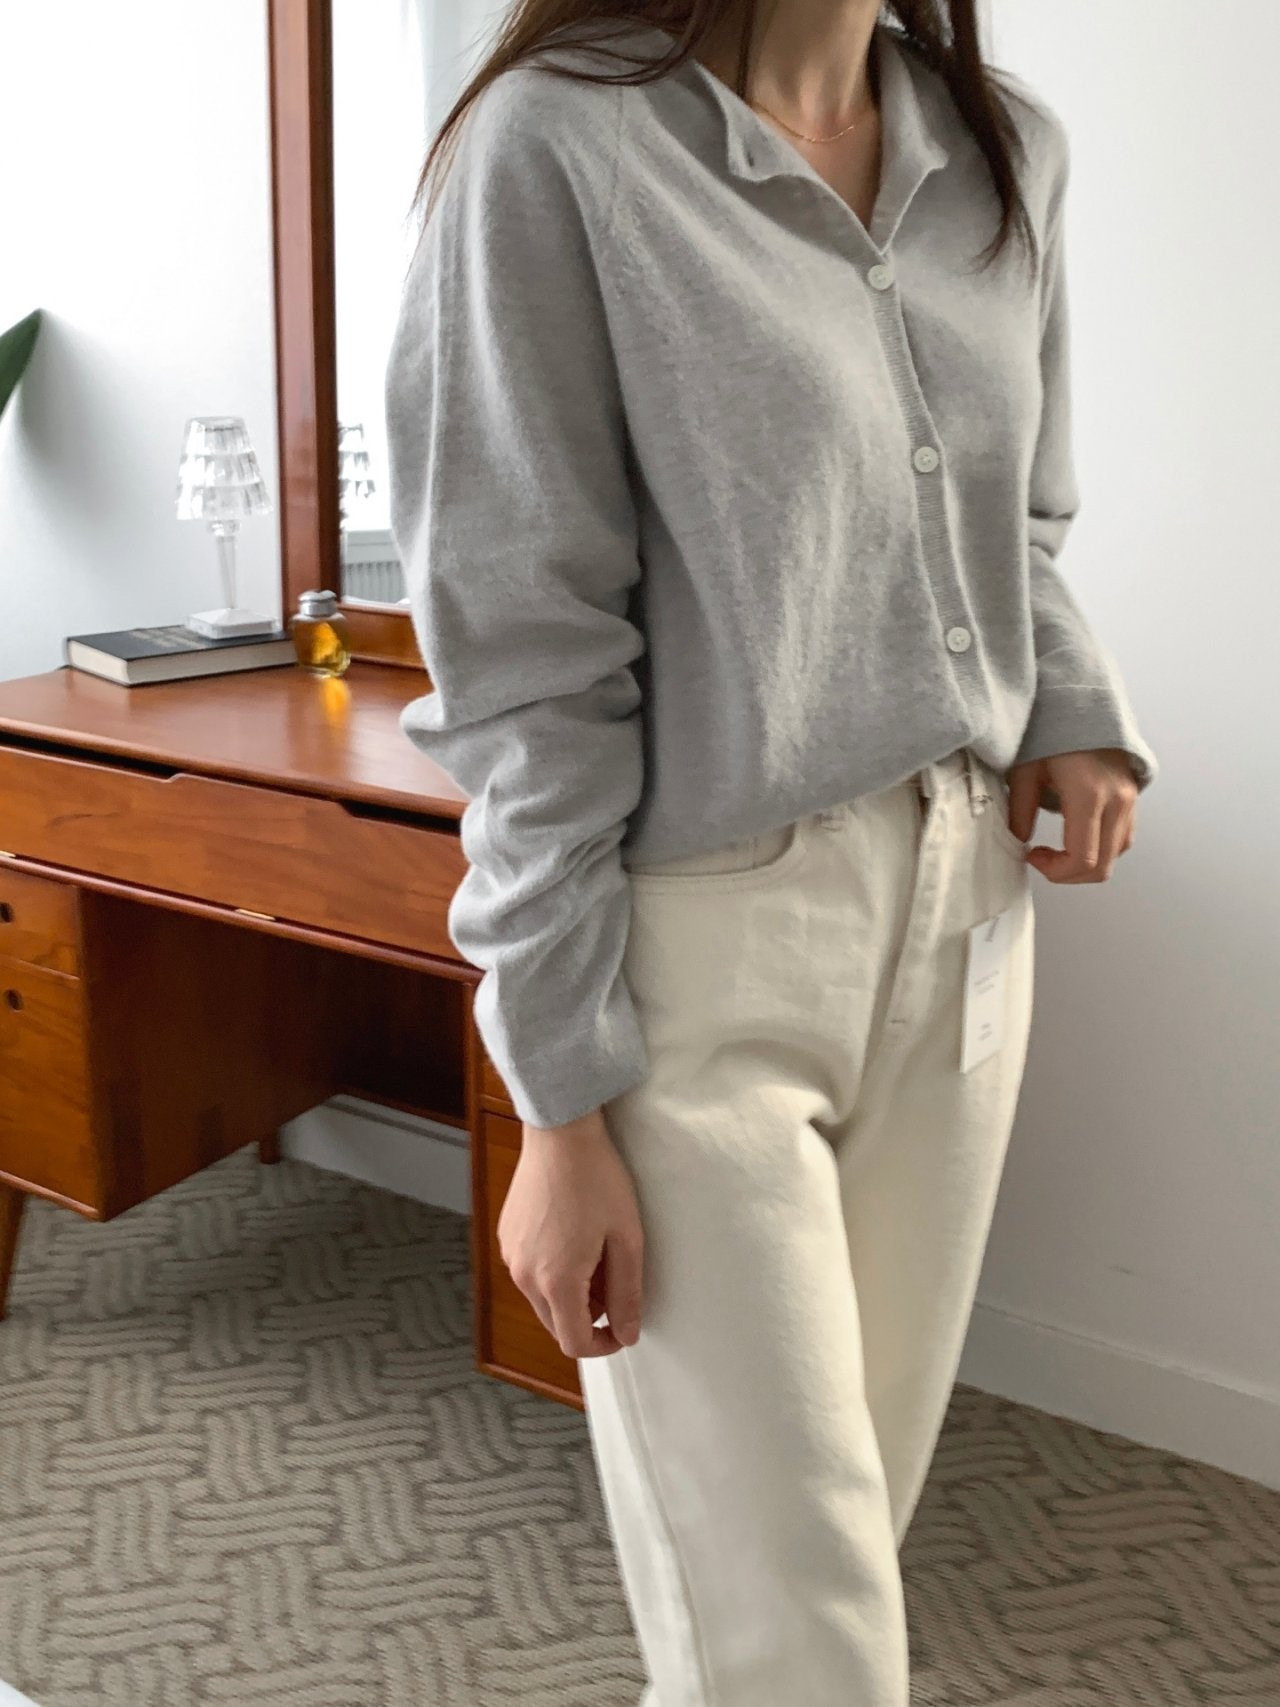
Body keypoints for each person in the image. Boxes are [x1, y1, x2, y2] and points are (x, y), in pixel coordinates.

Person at [384, 2, 1159, 1701]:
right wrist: (559, 1104)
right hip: (705, 950)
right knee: (793, 1634)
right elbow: (523, 653)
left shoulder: (1005, 147)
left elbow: (1013, 525)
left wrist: (1073, 705)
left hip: (968, 916)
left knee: (835, 1543)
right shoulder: (556, 145)